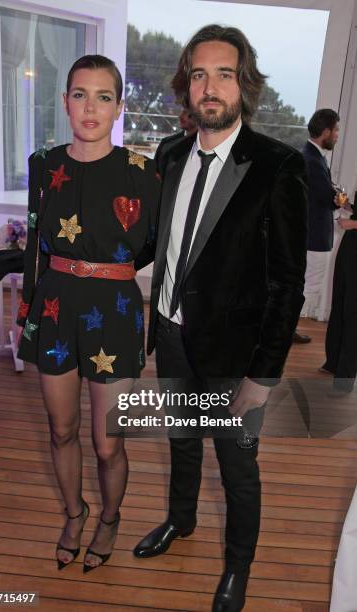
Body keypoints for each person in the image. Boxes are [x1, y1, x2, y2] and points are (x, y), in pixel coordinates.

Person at [133, 25, 307, 612]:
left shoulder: (278, 167)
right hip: (173, 334)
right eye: (199, 74)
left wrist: (263, 377)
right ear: (187, 84)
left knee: (236, 464)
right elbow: (160, 242)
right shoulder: (170, 152)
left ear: (244, 84)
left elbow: (288, 284)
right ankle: (179, 521)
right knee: (181, 441)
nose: (210, 87)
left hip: (236, 357)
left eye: (224, 74)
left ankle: (238, 566)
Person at [16, 55, 159, 573]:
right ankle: (75, 513)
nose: (91, 107)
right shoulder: (43, 163)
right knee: (60, 429)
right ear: (65, 102)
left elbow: (152, 247)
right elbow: (34, 239)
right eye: (80, 94)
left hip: (115, 312)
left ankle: (111, 517)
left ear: (119, 107)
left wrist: (109, 271)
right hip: (55, 309)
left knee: (107, 441)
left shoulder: (143, 173)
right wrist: (28, 306)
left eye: (103, 96)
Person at [299, 108, 340, 322]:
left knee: (308, 282)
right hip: (314, 236)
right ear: (325, 132)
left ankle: (291, 329)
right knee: (311, 283)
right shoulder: (312, 160)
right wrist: (338, 198)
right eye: (335, 130)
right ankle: (289, 328)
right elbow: (326, 197)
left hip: (312, 234)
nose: (337, 134)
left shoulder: (313, 156)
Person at [321, 195, 357, 395]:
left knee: (353, 314)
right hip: (351, 244)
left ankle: (344, 381)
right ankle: (333, 362)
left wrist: (353, 223)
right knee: (340, 303)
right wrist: (347, 205)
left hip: (353, 234)